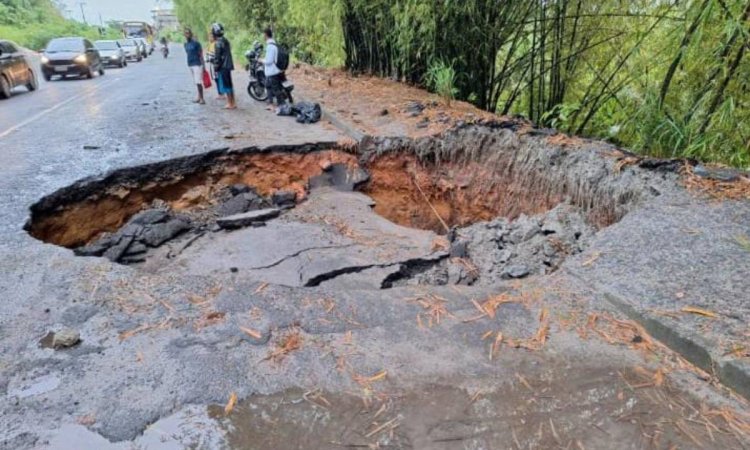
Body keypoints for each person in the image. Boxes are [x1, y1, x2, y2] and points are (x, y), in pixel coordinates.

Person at [212, 23, 236, 110]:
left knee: (226, 85)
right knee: (229, 84)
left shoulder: (218, 42)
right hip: (228, 65)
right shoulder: (225, 40)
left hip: (223, 66)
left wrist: (216, 66)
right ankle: (233, 102)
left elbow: (218, 57)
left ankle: (230, 103)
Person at [263, 27, 285, 108]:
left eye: (263, 35)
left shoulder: (270, 46)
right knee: (268, 87)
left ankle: (281, 105)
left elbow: (269, 61)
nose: (263, 36)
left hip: (272, 71)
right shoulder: (274, 44)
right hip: (274, 71)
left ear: (265, 35)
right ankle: (271, 104)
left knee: (275, 89)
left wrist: (261, 60)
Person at [183, 28, 205, 104]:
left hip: (197, 64)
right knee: (195, 81)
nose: (187, 35)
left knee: (198, 81)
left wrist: (203, 65)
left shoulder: (196, 43)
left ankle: (202, 98)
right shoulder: (185, 44)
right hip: (190, 64)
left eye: (188, 33)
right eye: (185, 33)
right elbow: (187, 53)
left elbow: (201, 54)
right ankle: (198, 96)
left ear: (191, 34)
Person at [206, 32, 224, 100]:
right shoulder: (210, 44)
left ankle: (221, 93)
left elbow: (216, 55)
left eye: (211, 37)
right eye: (209, 37)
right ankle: (220, 93)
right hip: (212, 65)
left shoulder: (216, 44)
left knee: (218, 78)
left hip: (216, 64)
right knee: (216, 79)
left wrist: (211, 58)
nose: (210, 38)